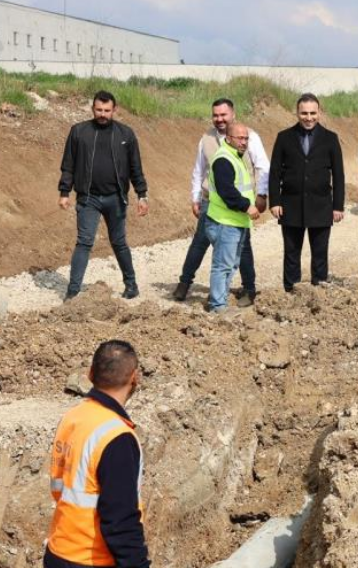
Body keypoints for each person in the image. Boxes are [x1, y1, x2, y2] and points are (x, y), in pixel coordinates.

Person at [45, 340, 149, 568]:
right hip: (92, 558)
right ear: (134, 378)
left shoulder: (72, 417)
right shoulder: (116, 437)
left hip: (58, 551)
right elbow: (121, 520)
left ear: (90, 374)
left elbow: (59, 487)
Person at [172, 98, 270, 306]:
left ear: (233, 115)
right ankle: (184, 283)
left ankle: (249, 289)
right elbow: (199, 170)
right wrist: (195, 197)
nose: (219, 119)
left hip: (238, 205)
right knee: (200, 243)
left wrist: (261, 195)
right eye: (215, 115)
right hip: (211, 202)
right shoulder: (206, 138)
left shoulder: (248, 136)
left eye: (223, 115)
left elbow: (262, 166)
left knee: (242, 248)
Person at [58, 90, 148, 301]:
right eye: (99, 110)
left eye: (107, 110)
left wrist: (142, 195)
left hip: (116, 198)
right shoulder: (79, 132)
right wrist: (64, 192)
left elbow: (136, 167)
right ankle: (72, 292)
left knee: (119, 242)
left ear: (114, 110)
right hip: (88, 198)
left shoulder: (126, 134)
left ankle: (131, 284)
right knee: (84, 242)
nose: (103, 114)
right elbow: (68, 164)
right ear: (93, 109)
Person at [270, 93, 345, 292]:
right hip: (290, 206)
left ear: (319, 113)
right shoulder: (284, 137)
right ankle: (290, 289)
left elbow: (338, 175)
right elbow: (275, 172)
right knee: (292, 252)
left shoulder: (330, 138)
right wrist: (275, 201)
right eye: (304, 113)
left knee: (320, 252)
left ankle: (318, 288)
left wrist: (337, 205)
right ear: (297, 112)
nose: (308, 117)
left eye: (312, 113)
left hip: (321, 206)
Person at [205, 123, 260, 314]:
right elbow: (227, 191)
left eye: (246, 138)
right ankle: (217, 306)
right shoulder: (223, 159)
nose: (244, 142)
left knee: (231, 264)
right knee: (222, 265)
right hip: (224, 222)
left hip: (235, 222)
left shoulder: (236, 157)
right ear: (228, 138)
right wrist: (247, 206)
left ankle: (220, 302)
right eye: (240, 138)